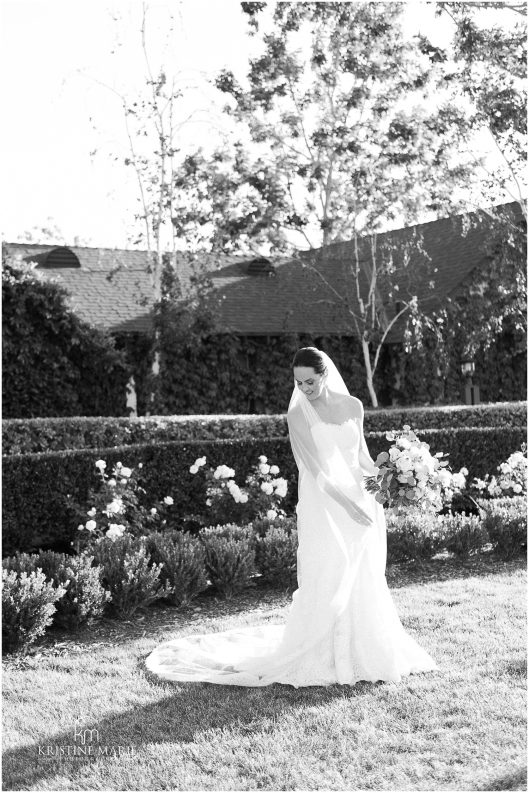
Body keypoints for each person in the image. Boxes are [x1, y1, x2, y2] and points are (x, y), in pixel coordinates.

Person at [144, 347, 439, 687]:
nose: (304, 388)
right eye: (298, 382)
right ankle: (325, 652)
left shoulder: (354, 406)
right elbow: (316, 471)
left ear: (325, 374)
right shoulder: (298, 414)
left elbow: (360, 456)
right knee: (329, 568)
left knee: (362, 571)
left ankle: (365, 651)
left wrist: (394, 475)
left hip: (360, 496)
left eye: (310, 381)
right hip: (325, 502)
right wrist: (347, 505)